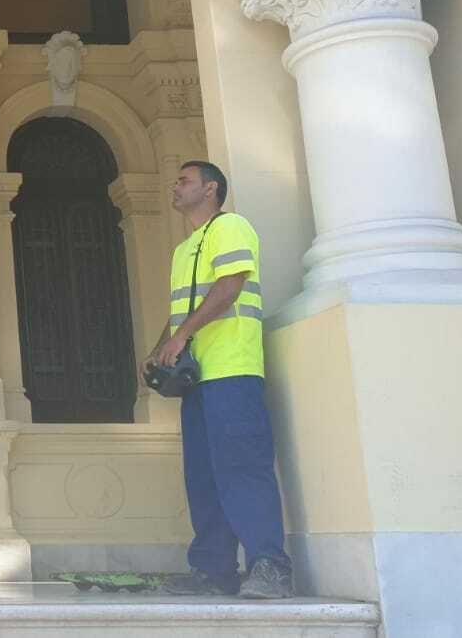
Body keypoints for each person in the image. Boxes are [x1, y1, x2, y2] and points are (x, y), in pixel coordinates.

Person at [148, 161, 293, 599]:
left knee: (242, 468)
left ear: (210, 189)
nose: (176, 186)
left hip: (232, 369)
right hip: (198, 378)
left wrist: (182, 335)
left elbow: (229, 288)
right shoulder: (185, 248)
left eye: (185, 180)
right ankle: (213, 570)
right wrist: (161, 348)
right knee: (204, 474)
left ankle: (270, 567)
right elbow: (183, 311)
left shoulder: (231, 226)